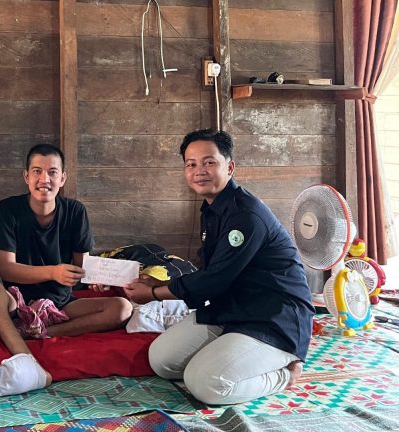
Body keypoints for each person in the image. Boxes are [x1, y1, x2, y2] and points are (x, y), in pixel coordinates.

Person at [123, 129, 315, 405]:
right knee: (162, 360)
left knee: (205, 384)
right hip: (231, 307)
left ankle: (285, 373)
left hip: (273, 316)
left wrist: (154, 293)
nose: (199, 171)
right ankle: (232, 353)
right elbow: (210, 274)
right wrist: (157, 284)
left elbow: (213, 279)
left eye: (209, 162)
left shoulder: (246, 215)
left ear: (230, 167)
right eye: (191, 164)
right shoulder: (213, 209)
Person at [0, 144, 133, 396]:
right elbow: (7, 270)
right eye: (37, 171)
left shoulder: (75, 211)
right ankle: (28, 361)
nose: (44, 179)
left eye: (52, 172)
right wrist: (53, 272)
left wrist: (96, 279)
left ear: (62, 178)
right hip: (18, 302)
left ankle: (42, 333)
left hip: (62, 304)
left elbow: (82, 267)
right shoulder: (7, 210)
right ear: (26, 177)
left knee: (123, 307)